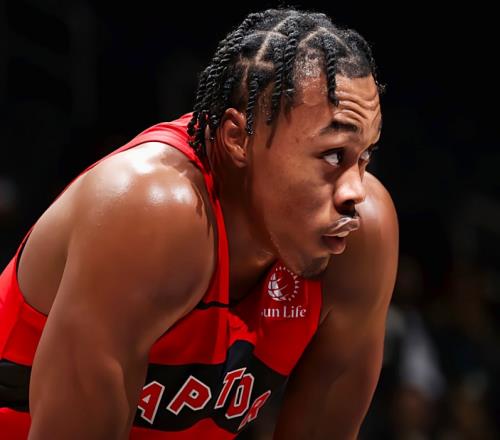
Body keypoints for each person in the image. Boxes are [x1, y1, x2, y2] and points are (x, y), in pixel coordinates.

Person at [0, 7, 398, 439]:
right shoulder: (150, 212)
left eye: (365, 156)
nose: (355, 191)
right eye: (334, 155)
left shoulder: (361, 239)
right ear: (236, 138)